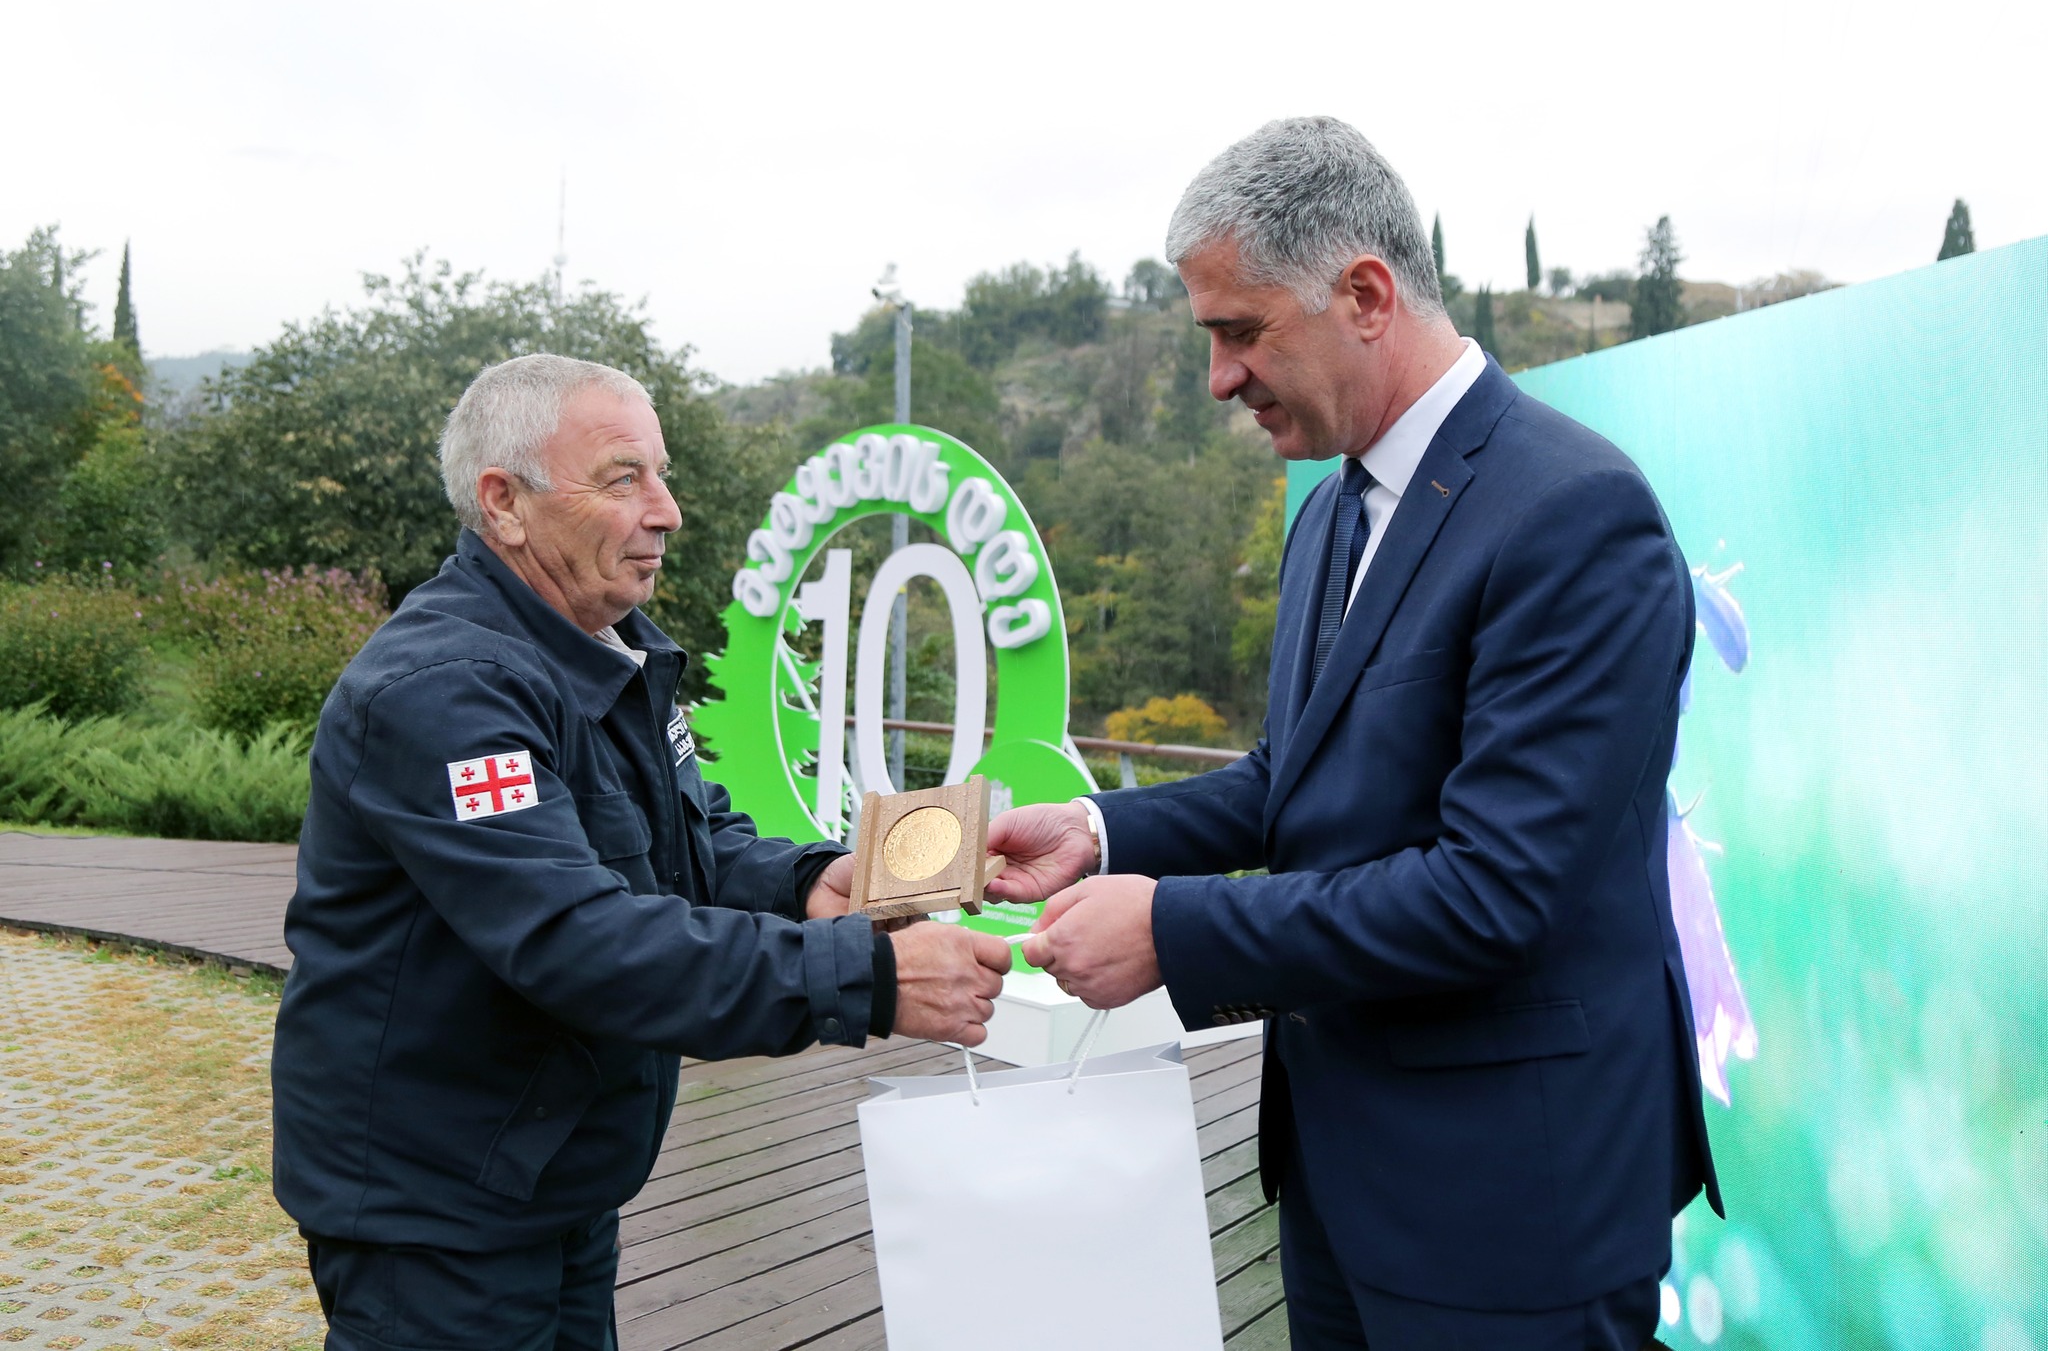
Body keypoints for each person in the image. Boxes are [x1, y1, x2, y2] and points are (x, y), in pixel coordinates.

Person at [989, 118, 1719, 1349]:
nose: (1217, 378)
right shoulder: (1329, 513)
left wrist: (1172, 930)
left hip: (1508, 1208)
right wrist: (1100, 832)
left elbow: (1493, 894)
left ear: (1366, 296)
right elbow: (1294, 780)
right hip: (1338, 1183)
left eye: (1239, 330)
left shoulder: (1573, 513)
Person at [272, 353, 1009, 1351]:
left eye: (660, 475)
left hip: (552, 1179)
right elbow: (574, 938)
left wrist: (810, 882)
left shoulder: (606, 648)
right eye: (623, 479)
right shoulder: (446, 690)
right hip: (439, 1214)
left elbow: (686, 839)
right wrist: (869, 975)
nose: (666, 511)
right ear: (505, 503)